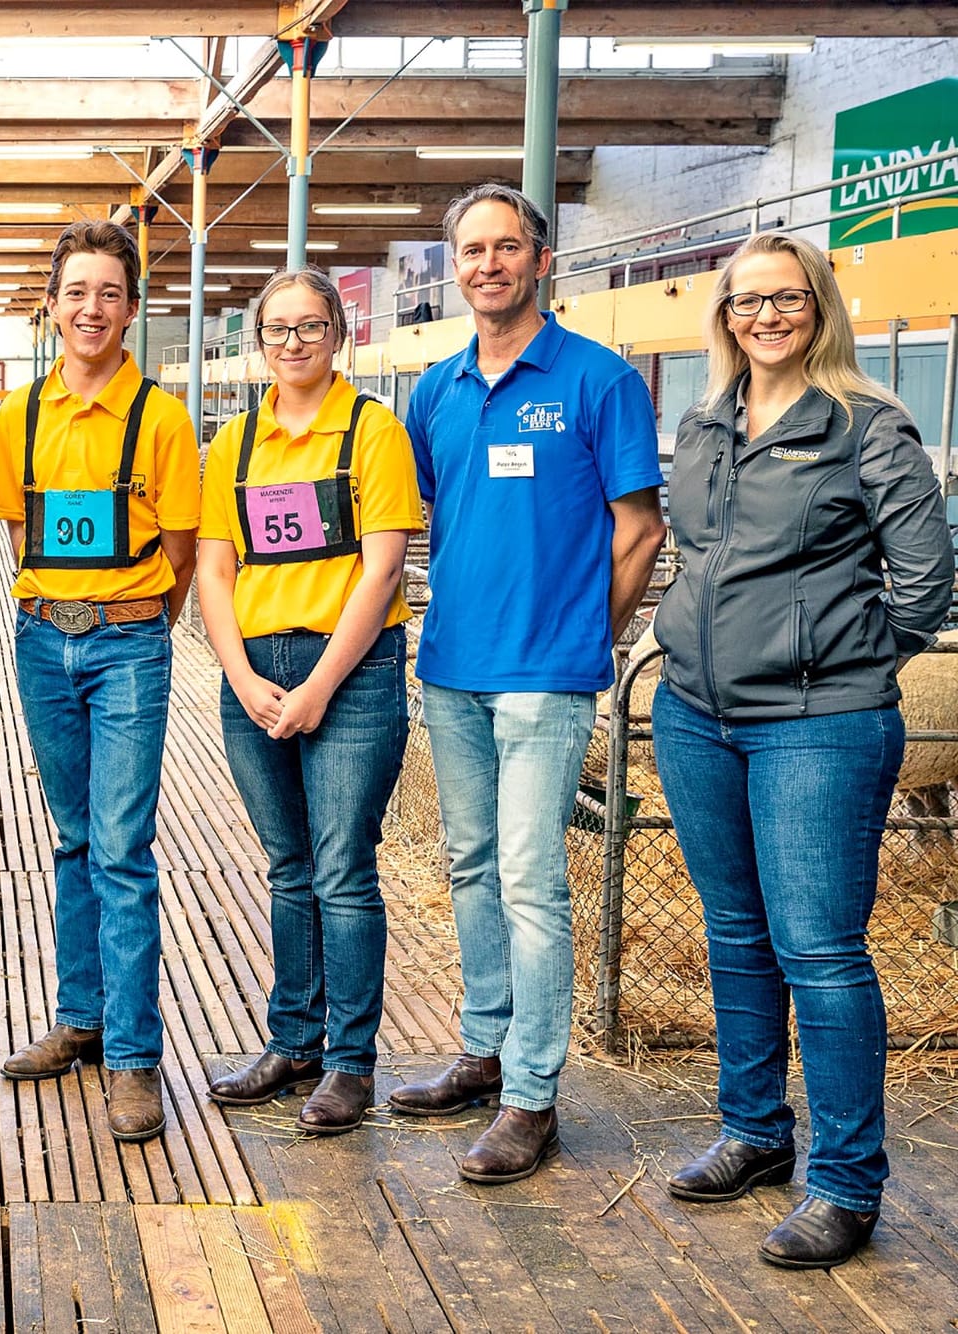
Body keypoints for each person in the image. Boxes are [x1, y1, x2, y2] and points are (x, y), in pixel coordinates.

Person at [652, 231, 951, 1268]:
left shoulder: (866, 426)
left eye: (784, 299)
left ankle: (844, 1180)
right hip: (694, 712)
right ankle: (752, 1130)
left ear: (818, 306)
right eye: (745, 302)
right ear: (723, 316)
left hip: (816, 724)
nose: (763, 317)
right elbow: (693, 552)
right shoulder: (703, 420)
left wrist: (831, 659)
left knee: (818, 950)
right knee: (734, 933)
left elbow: (922, 582)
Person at [394, 183, 666, 1182]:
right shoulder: (434, 390)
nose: (487, 264)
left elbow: (639, 531)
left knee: (527, 878)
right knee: (467, 864)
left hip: (544, 677)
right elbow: (435, 511)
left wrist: (577, 640)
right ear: (453, 266)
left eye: (506, 247)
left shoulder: (598, 381)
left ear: (539, 260)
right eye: (470, 249)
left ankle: (531, 1093)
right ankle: (482, 1044)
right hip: (453, 667)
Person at [0, 221, 200, 1141]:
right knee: (72, 838)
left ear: (131, 309)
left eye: (109, 293)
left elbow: (183, 553)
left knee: (120, 845)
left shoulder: (161, 416)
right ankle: (80, 1018)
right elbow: (18, 534)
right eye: (77, 291)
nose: (91, 309)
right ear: (53, 304)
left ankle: (134, 1057)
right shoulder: (21, 416)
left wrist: (133, 618)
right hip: (41, 641)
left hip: (127, 645)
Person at [196, 268, 421, 1132]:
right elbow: (217, 567)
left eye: (311, 327)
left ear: (340, 335)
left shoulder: (371, 431)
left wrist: (322, 683)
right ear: (259, 343)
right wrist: (244, 677)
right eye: (277, 330)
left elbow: (384, 564)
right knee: (289, 867)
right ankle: (293, 1042)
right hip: (255, 668)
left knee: (342, 868)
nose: (293, 344)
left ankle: (350, 1062)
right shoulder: (236, 443)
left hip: (350, 671)